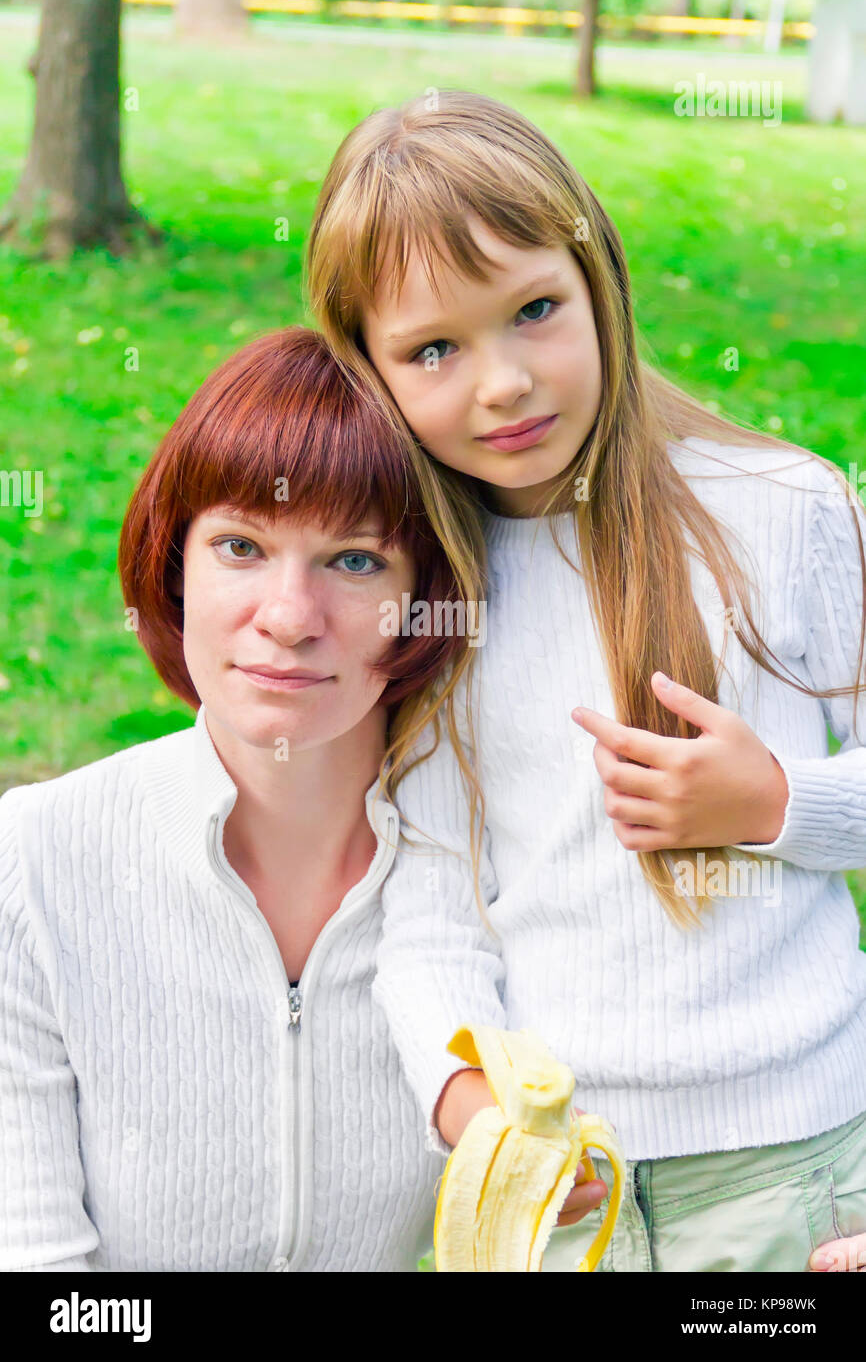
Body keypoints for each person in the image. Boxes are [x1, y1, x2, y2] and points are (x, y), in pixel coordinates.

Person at [304, 90, 866, 1271]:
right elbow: (428, 909)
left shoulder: (780, 513)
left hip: (796, 1169)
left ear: (596, 277)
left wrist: (775, 807)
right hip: (560, 1196)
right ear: (371, 370)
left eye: (534, 310)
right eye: (434, 349)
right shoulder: (418, 590)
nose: (502, 382)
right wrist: (470, 1106)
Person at [3, 325, 611, 1273]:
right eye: (240, 546)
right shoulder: (33, 860)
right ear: (173, 562)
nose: (288, 618)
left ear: (428, 599)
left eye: (356, 562)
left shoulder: (508, 869)